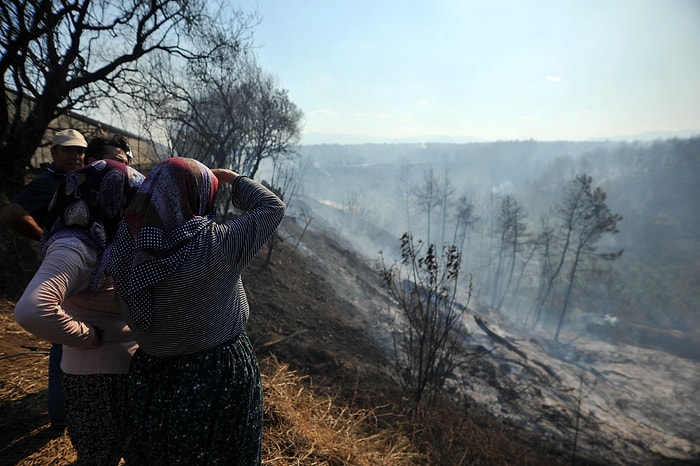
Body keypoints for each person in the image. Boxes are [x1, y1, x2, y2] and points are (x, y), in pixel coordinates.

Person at [109, 157, 286, 465]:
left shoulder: (124, 247)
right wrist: (231, 179)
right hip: (218, 375)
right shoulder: (217, 245)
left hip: (151, 376)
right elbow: (272, 208)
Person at [14, 159, 146, 465]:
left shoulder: (100, 238)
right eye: (130, 201)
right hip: (97, 381)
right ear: (108, 198)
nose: (135, 213)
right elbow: (32, 310)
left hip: (111, 376)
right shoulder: (75, 246)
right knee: (98, 457)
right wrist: (87, 336)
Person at [0, 128, 87, 429]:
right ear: (53, 153)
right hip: (63, 265)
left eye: (80, 151)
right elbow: (11, 214)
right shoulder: (49, 182)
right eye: (68, 150)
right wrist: (45, 239)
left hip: (76, 264)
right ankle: (60, 415)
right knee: (62, 338)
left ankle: (65, 409)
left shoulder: (76, 181)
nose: (76, 156)